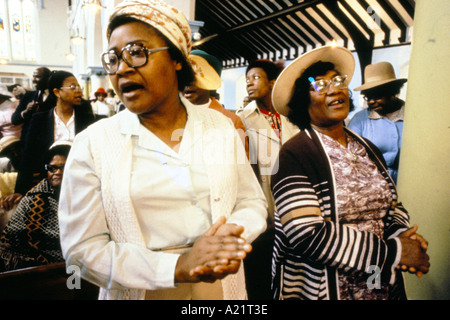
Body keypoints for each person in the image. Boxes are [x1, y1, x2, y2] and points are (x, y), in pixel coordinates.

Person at [58, 0, 267, 301]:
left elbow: (251, 200)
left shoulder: (219, 128)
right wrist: (177, 266)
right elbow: (82, 250)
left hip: (220, 288)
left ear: (176, 59)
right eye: (114, 58)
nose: (123, 68)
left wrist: (229, 238)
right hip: (143, 290)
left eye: (137, 52)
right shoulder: (94, 144)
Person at [270, 45, 429, 300]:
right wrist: (395, 252)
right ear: (303, 100)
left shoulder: (367, 148)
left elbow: (391, 206)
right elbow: (305, 233)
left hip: (378, 279)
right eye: (320, 85)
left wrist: (402, 236)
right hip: (325, 286)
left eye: (338, 81)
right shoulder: (294, 155)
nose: (334, 89)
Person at [236, 59, 299, 299]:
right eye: (247, 79)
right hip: (263, 203)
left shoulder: (292, 116)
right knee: (262, 268)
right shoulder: (243, 118)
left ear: (273, 81)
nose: (249, 83)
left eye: (256, 77)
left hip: (294, 201)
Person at [7, 71, 95, 207]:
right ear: (57, 92)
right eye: (73, 87)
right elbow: (28, 156)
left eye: (79, 87)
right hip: (49, 186)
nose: (79, 91)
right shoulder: (39, 120)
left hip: (81, 184)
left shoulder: (86, 120)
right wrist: (20, 191)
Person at [0, 142, 71, 271]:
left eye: (63, 167)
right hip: (36, 263)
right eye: (52, 168)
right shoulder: (33, 198)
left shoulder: (86, 196)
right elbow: (9, 240)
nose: (58, 172)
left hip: (76, 261)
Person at [348, 62, 407, 184]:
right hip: (373, 185)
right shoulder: (359, 120)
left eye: (377, 96)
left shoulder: (413, 115)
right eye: (368, 97)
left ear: (393, 93)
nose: (371, 102)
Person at [183, 49, 248, 157]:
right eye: (183, 76)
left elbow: (242, 165)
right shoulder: (171, 118)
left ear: (210, 81)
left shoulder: (231, 121)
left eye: (195, 76)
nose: (187, 82)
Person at [11, 67, 52, 141]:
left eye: (37, 77)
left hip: (48, 141)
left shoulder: (56, 97)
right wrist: (26, 112)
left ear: (48, 78)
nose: (33, 79)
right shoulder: (28, 96)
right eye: (33, 76)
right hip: (28, 141)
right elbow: (14, 120)